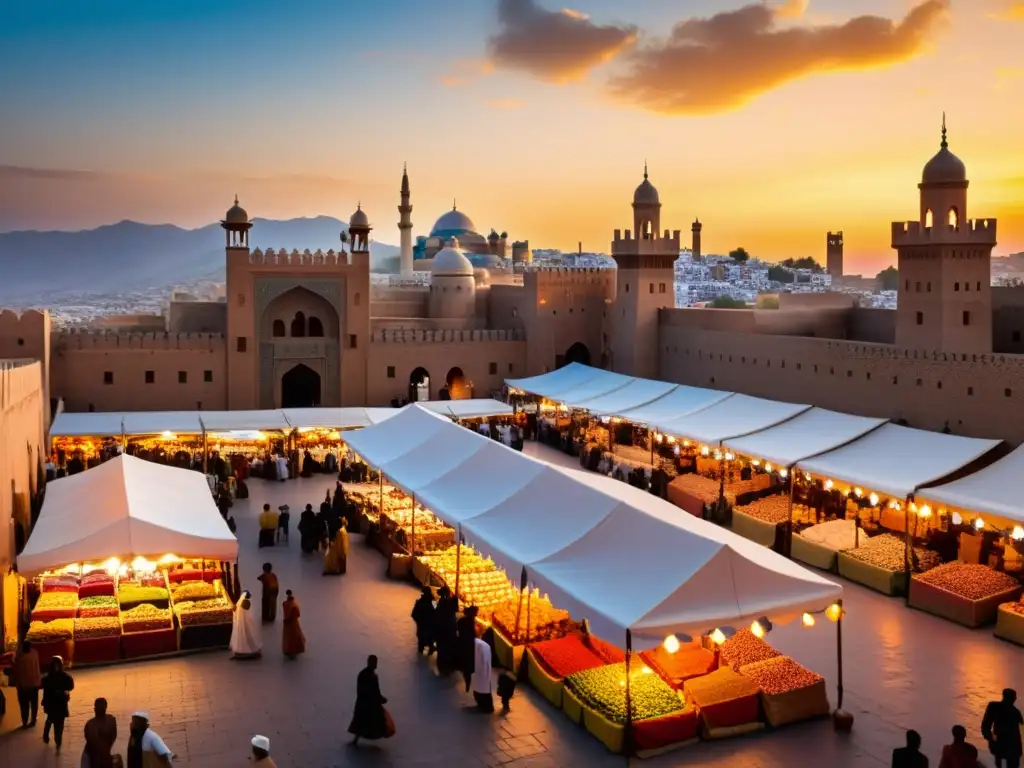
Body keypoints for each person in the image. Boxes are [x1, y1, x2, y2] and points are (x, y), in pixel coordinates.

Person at [348, 655, 391, 746]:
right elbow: (363, 689)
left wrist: (380, 698)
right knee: (362, 721)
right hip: (365, 702)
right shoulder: (364, 675)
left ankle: (360, 739)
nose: (375, 665)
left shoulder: (372, 675)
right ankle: (356, 740)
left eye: (376, 663)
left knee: (367, 720)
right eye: (373, 663)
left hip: (371, 702)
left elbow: (376, 689)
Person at [983, 689, 1024, 768]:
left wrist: (990, 738)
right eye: (1013, 697)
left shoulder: (994, 707)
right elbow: (986, 726)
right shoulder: (1015, 713)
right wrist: (990, 738)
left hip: (1009, 748)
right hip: (1010, 749)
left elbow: (986, 726)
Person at [41, 655, 74, 750]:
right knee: (52, 719)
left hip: (60, 703)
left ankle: (57, 738)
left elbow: (70, 686)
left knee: (58, 721)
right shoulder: (51, 678)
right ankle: (49, 734)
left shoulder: (64, 677)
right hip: (53, 703)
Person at [10, 639, 41, 727]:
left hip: (23, 685)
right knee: (34, 704)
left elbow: (16, 669)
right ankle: (33, 720)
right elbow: (37, 667)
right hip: (34, 683)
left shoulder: (19, 655)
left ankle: (24, 721)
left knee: (24, 704)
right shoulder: (34, 653)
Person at [83, 697, 118, 768]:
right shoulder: (111, 720)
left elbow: (89, 741)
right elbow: (114, 737)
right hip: (106, 757)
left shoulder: (90, 724)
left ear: (95, 709)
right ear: (106, 708)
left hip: (94, 759)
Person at [229, 590, 262, 659]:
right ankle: (251, 649)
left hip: (240, 624)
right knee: (249, 636)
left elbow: (236, 612)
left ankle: (241, 650)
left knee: (242, 636)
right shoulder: (247, 603)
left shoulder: (240, 604)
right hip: (247, 624)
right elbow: (250, 615)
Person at [434, 586, 458, 676]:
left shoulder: (442, 603)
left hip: (443, 631)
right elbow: (455, 609)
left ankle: (444, 666)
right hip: (448, 631)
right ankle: (447, 667)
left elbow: (437, 615)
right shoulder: (449, 603)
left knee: (443, 650)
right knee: (447, 649)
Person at [456, 605, 479, 693]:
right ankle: (468, 683)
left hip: (464, 644)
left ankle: (468, 681)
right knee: (468, 664)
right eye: (476, 612)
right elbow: (472, 633)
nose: (477, 614)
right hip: (468, 645)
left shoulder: (463, 620)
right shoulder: (469, 621)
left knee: (467, 664)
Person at [471, 633, 494, 713]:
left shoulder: (471, 644)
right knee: (484, 691)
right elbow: (486, 660)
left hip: (476, 672)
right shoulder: (484, 645)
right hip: (483, 672)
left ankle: (481, 705)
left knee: (478, 689)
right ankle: (486, 708)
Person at [282, 590, 306, 659]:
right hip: (293, 623)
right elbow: (298, 614)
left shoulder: (285, 604)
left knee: (288, 637)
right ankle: (294, 649)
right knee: (294, 636)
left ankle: (288, 649)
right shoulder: (294, 605)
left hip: (287, 623)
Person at [411, 586, 435, 655]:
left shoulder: (420, 602)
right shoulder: (432, 602)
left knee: (422, 640)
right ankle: (428, 652)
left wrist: (419, 621)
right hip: (429, 625)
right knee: (428, 639)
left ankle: (423, 653)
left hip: (422, 625)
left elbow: (414, 614)